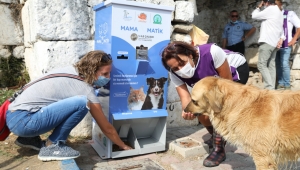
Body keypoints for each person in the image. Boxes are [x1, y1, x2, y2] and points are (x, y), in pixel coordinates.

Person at [6, 50, 132, 161]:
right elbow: (106, 128)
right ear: (92, 71)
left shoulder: (71, 70)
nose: (108, 78)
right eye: (105, 74)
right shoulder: (85, 89)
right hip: (24, 121)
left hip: (14, 116)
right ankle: (53, 146)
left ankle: (28, 139)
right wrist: (123, 146)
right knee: (82, 103)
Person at [161, 41, 249, 167]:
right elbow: (186, 99)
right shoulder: (174, 73)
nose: (180, 69)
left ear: (190, 55)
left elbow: (227, 87)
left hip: (235, 71)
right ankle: (216, 136)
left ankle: (219, 149)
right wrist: (188, 111)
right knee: (198, 108)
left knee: (221, 107)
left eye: (182, 63)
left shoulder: (212, 52)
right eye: (175, 68)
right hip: (212, 83)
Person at [252, 0, 285, 90]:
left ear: (266, 2)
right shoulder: (279, 11)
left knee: (261, 65)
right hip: (274, 43)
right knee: (271, 65)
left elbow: (254, 15)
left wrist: (258, 7)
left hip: (267, 42)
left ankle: (269, 87)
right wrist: (281, 38)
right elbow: (282, 28)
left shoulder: (270, 9)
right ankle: (272, 88)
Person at [275, 0, 300, 90]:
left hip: (286, 44)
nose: (275, 7)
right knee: (277, 64)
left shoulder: (289, 13)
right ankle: (280, 83)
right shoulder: (272, 15)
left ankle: (287, 84)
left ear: (281, 5)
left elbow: (299, 26)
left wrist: (294, 40)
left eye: (276, 5)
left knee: (284, 64)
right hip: (274, 45)